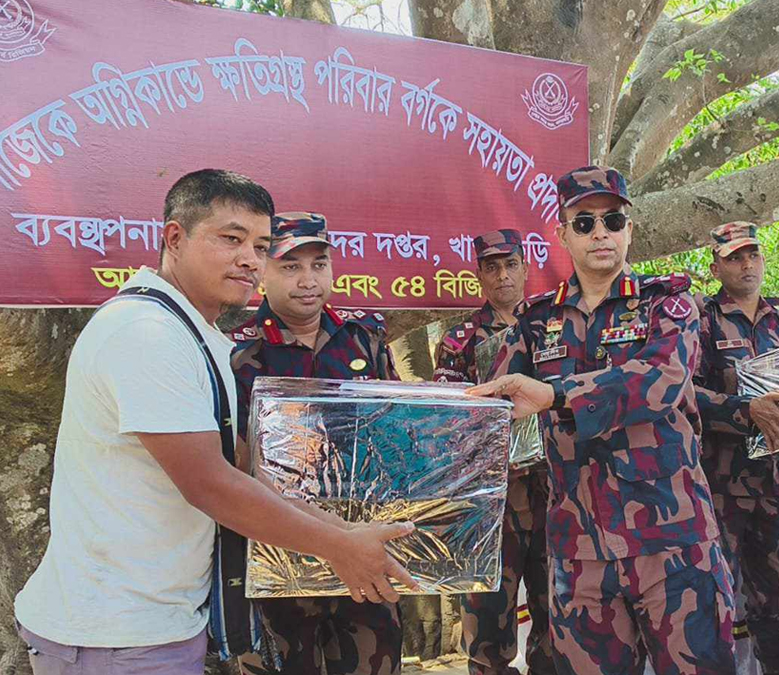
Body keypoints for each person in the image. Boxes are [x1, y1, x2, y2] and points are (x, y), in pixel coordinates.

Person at [13, 170, 414, 675]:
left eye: (260, 244)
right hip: (113, 635)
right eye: (231, 238)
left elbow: (248, 474)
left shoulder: (194, 337)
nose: (248, 257)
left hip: (158, 625)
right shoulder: (145, 332)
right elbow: (212, 485)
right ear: (175, 238)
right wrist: (341, 546)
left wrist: (351, 536)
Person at [470, 166, 736, 675]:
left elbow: (661, 381)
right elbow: (487, 404)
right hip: (579, 553)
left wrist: (556, 394)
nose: (601, 234)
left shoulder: (669, 304)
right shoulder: (534, 321)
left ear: (629, 230)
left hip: (672, 543)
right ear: (562, 233)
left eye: (613, 221)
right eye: (585, 222)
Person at [230, 212, 404, 675]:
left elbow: (395, 429)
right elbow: (235, 466)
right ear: (263, 268)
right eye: (291, 266)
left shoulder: (364, 336)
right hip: (280, 551)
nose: (309, 280)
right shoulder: (240, 351)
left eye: (319, 264)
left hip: (364, 547)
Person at [432, 229, 555, 675]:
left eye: (510, 264)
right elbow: (449, 421)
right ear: (479, 275)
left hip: (554, 497)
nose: (502, 275)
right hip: (492, 507)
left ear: (525, 267)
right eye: (491, 267)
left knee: (558, 624)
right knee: (488, 634)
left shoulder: (551, 325)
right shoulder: (460, 339)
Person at [694, 221, 779, 675]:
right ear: (716, 266)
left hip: (774, 482)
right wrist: (744, 410)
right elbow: (684, 394)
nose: (747, 264)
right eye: (735, 257)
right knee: (714, 601)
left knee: (776, 603)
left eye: (753, 254)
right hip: (720, 485)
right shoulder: (700, 320)